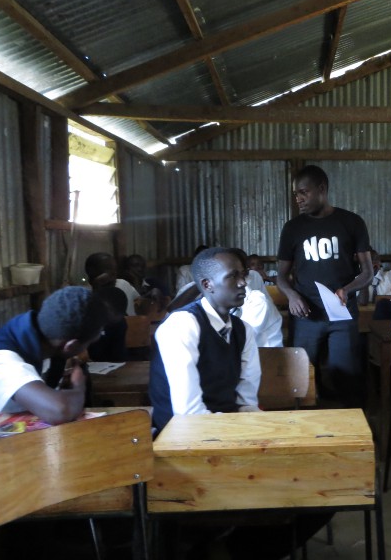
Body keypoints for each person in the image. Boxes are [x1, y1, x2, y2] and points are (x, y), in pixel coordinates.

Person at [276, 165, 373, 406]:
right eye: (296, 194)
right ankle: (307, 434)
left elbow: (368, 273)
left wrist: (347, 289)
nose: (299, 199)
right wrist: (291, 295)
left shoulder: (351, 223)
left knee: (346, 379)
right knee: (303, 380)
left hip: (342, 314)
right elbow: (280, 276)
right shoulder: (293, 228)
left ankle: (348, 433)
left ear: (321, 189)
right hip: (306, 315)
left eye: (303, 193)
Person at [0, 287, 109, 423]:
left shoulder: (35, 339)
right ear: (70, 345)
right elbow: (59, 410)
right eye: (89, 343)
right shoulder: (0, 361)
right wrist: (78, 386)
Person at [149, 248, 261, 431]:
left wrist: (254, 426)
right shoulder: (182, 325)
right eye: (232, 276)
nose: (243, 283)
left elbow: (246, 400)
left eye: (243, 275)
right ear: (207, 284)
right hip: (179, 433)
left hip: (225, 426)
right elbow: (189, 413)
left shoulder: (242, 330)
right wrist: (236, 428)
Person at [85, 252, 139, 316]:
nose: (114, 273)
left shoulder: (123, 284)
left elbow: (139, 301)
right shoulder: (85, 294)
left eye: (115, 269)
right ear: (92, 272)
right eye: (108, 269)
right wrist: (97, 287)